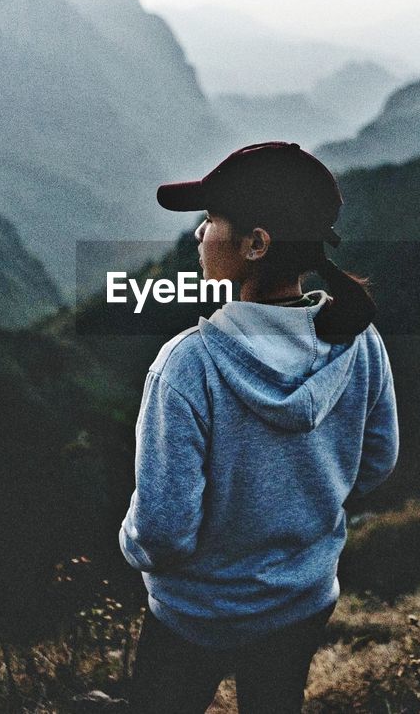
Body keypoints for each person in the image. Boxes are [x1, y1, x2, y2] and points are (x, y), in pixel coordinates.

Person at [119, 141, 400, 713]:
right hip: (302, 598)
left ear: (256, 243)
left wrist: (129, 542)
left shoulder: (188, 366)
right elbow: (378, 461)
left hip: (196, 613)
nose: (200, 234)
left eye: (211, 220)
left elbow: (162, 532)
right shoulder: (358, 342)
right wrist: (302, 512)